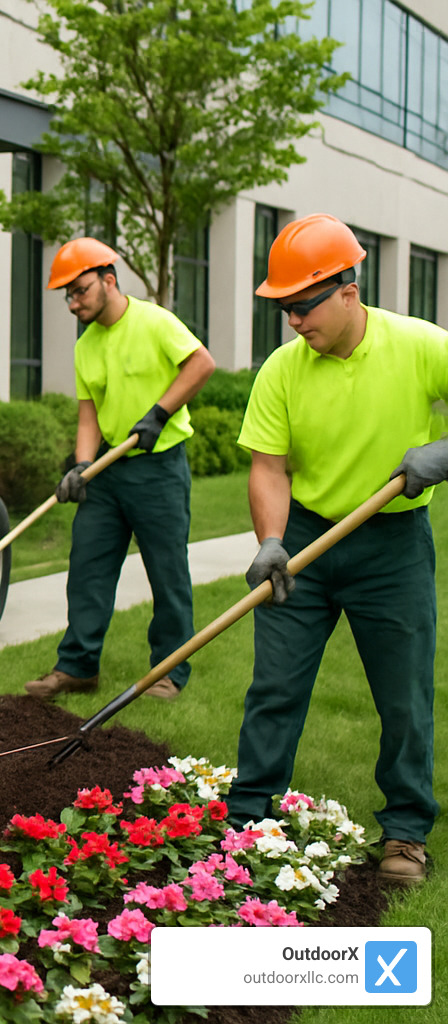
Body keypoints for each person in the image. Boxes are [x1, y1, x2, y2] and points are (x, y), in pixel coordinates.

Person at [231, 213, 445, 885]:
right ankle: (249, 818)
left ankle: (405, 833)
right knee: (275, 684)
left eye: (302, 305)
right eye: (284, 308)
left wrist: (443, 452)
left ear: (348, 291)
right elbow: (268, 467)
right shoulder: (283, 371)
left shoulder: (420, 345)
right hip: (306, 543)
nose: (292, 321)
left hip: (393, 545)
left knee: (404, 694)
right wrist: (270, 542)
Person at [25, 237, 216, 701]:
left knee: (167, 572)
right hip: (108, 473)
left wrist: (159, 413)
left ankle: (169, 670)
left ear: (108, 280)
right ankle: (77, 666)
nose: (73, 303)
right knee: (87, 567)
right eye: (67, 296)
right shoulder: (86, 346)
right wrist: (83, 466)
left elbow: (201, 363)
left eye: (80, 291)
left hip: (159, 468)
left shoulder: (153, 321)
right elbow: (88, 413)